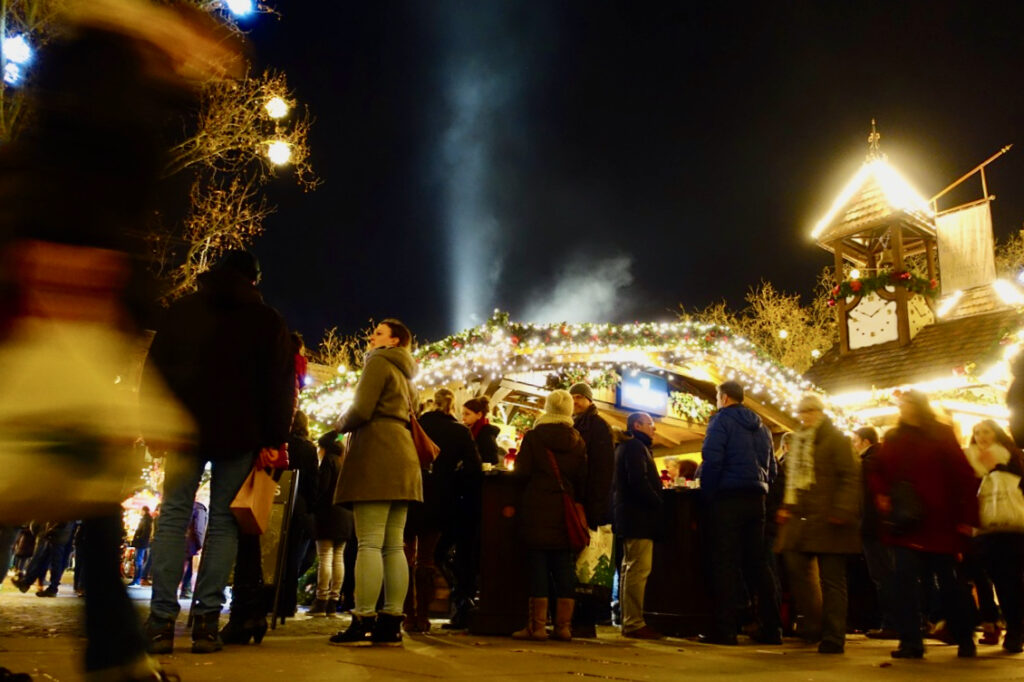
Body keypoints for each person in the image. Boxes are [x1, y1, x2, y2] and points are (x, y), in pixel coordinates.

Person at [142, 249, 295, 655]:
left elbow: (155, 369)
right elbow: (280, 385)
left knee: (174, 516)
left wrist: (152, 424)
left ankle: (160, 622)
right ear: (254, 280)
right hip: (239, 433)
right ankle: (207, 623)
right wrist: (273, 438)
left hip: (184, 430)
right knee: (225, 523)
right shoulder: (266, 320)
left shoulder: (184, 310)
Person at [329, 319, 423, 647]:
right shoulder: (410, 374)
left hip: (377, 452)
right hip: (404, 456)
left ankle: (363, 618)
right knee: (394, 545)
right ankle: (392, 622)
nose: (372, 338)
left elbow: (361, 408)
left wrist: (337, 427)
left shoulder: (379, 361)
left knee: (369, 542)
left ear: (394, 340)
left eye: (379, 333)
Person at [869, 390, 979, 659]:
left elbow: (963, 474)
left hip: (940, 521)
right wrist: (881, 493)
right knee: (903, 582)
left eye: (907, 404)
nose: (903, 409)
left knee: (950, 584)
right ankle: (911, 641)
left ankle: (964, 636)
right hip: (907, 522)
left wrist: (967, 519)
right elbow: (877, 470)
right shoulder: (893, 438)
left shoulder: (941, 433)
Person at [774, 395, 861, 654]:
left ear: (820, 412)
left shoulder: (836, 439)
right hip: (804, 520)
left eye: (809, 411)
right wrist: (788, 507)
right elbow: (795, 481)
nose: (804, 416)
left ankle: (833, 636)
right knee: (797, 569)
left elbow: (850, 476)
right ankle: (813, 625)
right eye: (802, 412)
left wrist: (842, 509)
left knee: (832, 581)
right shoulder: (799, 441)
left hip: (831, 519)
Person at [698, 380, 781, 645]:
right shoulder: (764, 429)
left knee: (725, 563)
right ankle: (771, 628)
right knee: (758, 564)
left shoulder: (720, 422)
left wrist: (707, 496)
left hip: (728, 498)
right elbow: (773, 470)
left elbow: (712, 460)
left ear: (723, 397)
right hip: (757, 499)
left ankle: (725, 629)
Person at [511, 390, 588, 641]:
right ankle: (564, 627)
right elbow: (582, 478)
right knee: (564, 569)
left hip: (537, 507)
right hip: (564, 512)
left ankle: (538, 627)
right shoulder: (577, 440)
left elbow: (521, 472)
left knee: (538, 568)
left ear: (548, 407)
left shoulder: (534, 437)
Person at [409, 388, 480, 632]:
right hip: (441, 499)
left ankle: (406, 614)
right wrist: (452, 477)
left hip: (411, 493)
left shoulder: (416, 426)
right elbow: (474, 469)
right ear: (452, 406)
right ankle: (422, 617)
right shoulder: (460, 432)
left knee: (405, 556)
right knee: (427, 558)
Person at [965, 419, 1024, 653]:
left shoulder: (1012, 456)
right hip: (985, 529)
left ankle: (1015, 629)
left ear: (996, 434)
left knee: (1009, 580)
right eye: (977, 432)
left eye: (986, 431)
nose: (981, 436)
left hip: (1011, 528)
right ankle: (998, 622)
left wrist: (998, 469)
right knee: (994, 578)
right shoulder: (970, 459)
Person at [568, 382, 615, 638]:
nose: (575, 401)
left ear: (589, 400)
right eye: (572, 397)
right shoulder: (572, 424)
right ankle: (574, 619)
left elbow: (603, 470)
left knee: (587, 564)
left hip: (589, 504)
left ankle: (585, 621)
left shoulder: (597, 426)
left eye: (579, 397)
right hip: (578, 502)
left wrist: (595, 507)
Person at [612, 412, 664, 640]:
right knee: (638, 569)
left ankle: (629, 619)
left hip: (628, 516)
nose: (654, 429)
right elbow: (638, 481)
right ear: (637, 425)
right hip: (639, 517)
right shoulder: (635, 447)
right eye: (651, 425)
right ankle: (634, 621)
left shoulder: (626, 447)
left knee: (629, 568)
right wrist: (658, 501)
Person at [852, 426, 897, 640]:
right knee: (889, 574)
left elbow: (867, 500)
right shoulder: (882, 460)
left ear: (864, 441)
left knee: (883, 576)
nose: (853, 446)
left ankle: (891, 622)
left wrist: (864, 526)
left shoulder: (869, 463)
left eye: (855, 441)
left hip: (874, 528)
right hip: (884, 527)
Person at [309, 431, 354, 618]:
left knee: (325, 557)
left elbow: (322, 488)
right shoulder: (346, 463)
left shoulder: (329, 461)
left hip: (329, 513)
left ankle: (321, 600)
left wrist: (314, 507)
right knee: (338, 558)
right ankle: (334, 601)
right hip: (345, 515)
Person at [180, 500, 208, 600]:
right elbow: (199, 529)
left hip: (182, 541)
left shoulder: (186, 506)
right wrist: (201, 545)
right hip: (191, 543)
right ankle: (185, 591)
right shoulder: (200, 509)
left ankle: (180, 590)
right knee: (189, 567)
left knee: (183, 566)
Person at [463, 396, 501, 465]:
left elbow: (492, 460)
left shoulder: (486, 434)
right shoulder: (470, 430)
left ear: (479, 415)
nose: (463, 418)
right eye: (463, 414)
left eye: (467, 414)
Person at [129, 508, 153, 587]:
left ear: (143, 511)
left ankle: (137, 580)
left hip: (141, 543)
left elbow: (144, 532)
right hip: (142, 543)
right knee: (138, 561)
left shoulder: (146, 520)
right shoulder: (147, 519)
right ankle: (137, 580)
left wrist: (138, 539)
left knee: (138, 561)